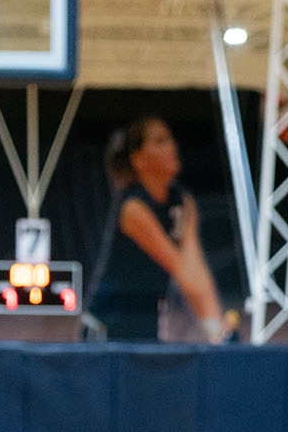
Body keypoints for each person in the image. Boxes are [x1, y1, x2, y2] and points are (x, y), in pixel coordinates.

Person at [86, 117, 231, 343]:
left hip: (147, 321)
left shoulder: (183, 201)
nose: (172, 146)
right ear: (138, 159)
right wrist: (213, 327)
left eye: (170, 139)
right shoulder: (133, 207)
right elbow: (179, 268)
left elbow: (195, 267)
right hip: (107, 326)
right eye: (160, 141)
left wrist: (215, 325)